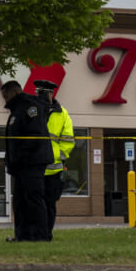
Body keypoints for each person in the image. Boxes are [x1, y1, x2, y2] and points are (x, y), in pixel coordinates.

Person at [1, 80, 51, 241]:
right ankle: (22, 235)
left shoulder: (30, 107)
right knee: (20, 202)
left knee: (34, 199)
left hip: (32, 162)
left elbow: (35, 136)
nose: (4, 99)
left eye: (5, 95)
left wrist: (20, 156)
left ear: (13, 92)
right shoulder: (17, 110)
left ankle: (40, 235)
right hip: (20, 165)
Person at [35, 79, 75, 238]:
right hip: (35, 168)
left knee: (49, 204)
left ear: (52, 94)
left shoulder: (62, 113)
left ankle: (46, 233)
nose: (41, 96)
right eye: (39, 92)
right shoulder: (33, 110)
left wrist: (58, 158)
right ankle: (37, 233)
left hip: (54, 170)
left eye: (44, 93)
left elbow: (68, 140)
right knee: (36, 205)